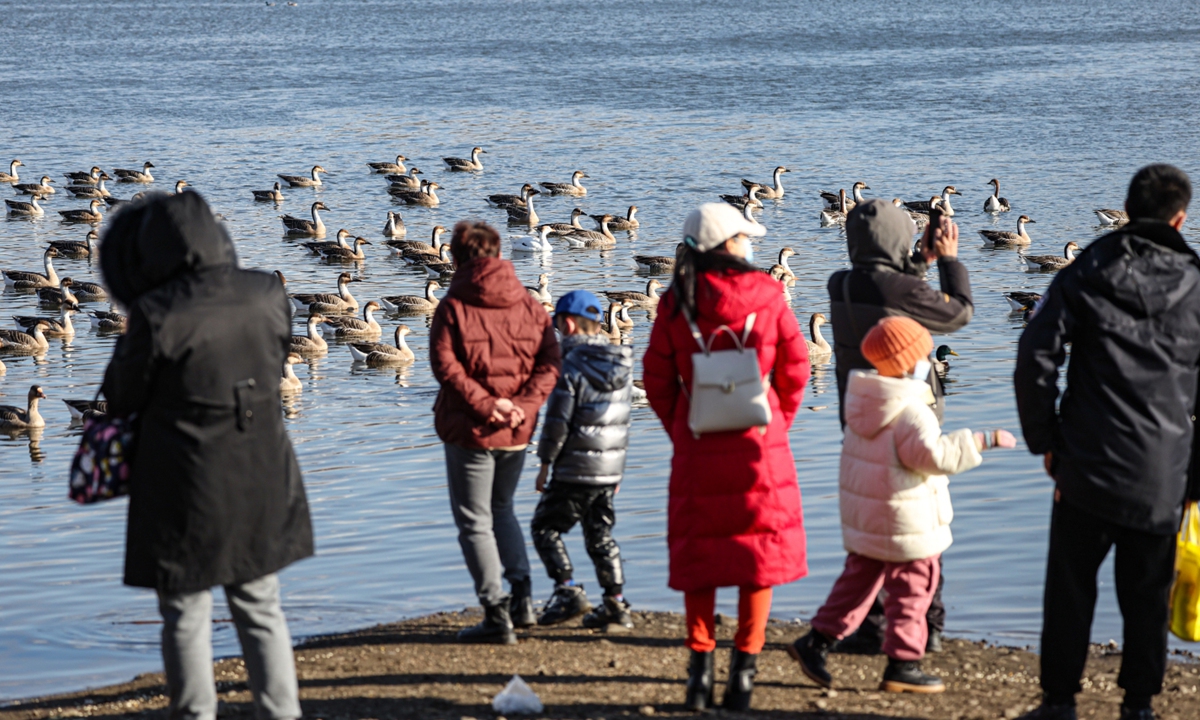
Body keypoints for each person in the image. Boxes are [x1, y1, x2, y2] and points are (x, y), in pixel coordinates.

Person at [99, 191, 313, 720]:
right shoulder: (266, 291)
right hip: (262, 471)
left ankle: (195, 714)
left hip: (182, 479)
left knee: (185, 612)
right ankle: (281, 713)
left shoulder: (156, 312)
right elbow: (275, 356)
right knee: (261, 605)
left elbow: (121, 395)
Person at [1014, 164, 1200, 720]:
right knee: (1147, 595)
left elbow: (1035, 356)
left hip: (1087, 460)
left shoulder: (1088, 266)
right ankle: (1138, 704)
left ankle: (1059, 701)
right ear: (1180, 217)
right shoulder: (1196, 280)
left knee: (1070, 589)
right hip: (1164, 469)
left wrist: (1044, 438)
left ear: (1128, 206)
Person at [643, 203, 810, 711]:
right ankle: (744, 674)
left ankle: (698, 674)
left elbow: (655, 379)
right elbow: (797, 367)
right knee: (757, 560)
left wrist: (682, 428)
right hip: (762, 449)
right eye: (744, 237)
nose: (750, 244)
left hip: (698, 444)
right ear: (732, 245)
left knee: (702, 558)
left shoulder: (676, 302)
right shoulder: (769, 294)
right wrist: (776, 421)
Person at [790, 316, 1014, 694]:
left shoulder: (862, 404)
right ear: (912, 362)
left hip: (869, 516)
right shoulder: (911, 411)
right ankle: (903, 662)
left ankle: (815, 643)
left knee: (857, 584)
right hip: (906, 519)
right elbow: (933, 456)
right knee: (913, 589)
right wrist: (979, 441)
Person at [826, 199, 974, 654]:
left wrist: (917, 262)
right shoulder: (895, 291)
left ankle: (871, 627)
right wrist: (947, 259)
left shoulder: (841, 283)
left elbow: (888, 284)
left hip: (860, 416)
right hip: (910, 419)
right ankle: (928, 625)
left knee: (873, 523)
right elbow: (959, 312)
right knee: (920, 525)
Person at [429, 220, 561, 645]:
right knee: (502, 509)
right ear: (498, 252)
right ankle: (522, 600)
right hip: (519, 431)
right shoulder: (529, 303)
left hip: (472, 429)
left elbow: (445, 368)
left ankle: (496, 613)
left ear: (456, 256)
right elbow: (550, 365)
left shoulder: (452, 305)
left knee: (474, 521)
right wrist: (522, 408)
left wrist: (488, 406)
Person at [531, 290, 635, 629]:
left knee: (544, 528)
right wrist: (615, 472)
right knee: (600, 535)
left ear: (569, 324)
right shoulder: (621, 362)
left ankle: (567, 591)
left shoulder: (570, 365)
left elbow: (557, 421)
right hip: (608, 469)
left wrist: (545, 463)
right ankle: (616, 603)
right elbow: (621, 422)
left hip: (574, 466)